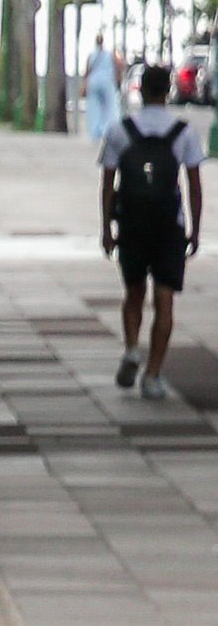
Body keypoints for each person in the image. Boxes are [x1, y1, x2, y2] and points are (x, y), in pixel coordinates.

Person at [100, 63, 206, 400]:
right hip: (167, 226)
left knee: (133, 293)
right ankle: (153, 374)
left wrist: (106, 228)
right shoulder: (183, 132)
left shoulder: (120, 130)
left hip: (131, 223)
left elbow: (107, 184)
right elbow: (194, 185)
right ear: (168, 90)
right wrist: (194, 229)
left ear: (141, 90)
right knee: (164, 300)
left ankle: (132, 347)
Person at [85, 33, 123, 146]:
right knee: (110, 107)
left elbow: (87, 71)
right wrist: (118, 78)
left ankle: (95, 132)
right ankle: (108, 131)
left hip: (93, 82)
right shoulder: (110, 54)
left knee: (94, 108)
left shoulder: (91, 55)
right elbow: (120, 64)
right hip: (107, 82)